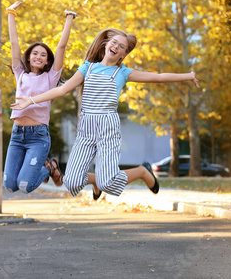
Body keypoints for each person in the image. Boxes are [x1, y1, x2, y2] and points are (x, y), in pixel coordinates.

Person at [12, 28, 200, 199]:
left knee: (108, 183)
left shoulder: (123, 73)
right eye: (114, 43)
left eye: (122, 47)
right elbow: (61, 90)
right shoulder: (87, 68)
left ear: (124, 54)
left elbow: (159, 77)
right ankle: (95, 181)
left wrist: (188, 76)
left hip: (107, 127)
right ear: (105, 44)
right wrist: (31, 100)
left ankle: (142, 172)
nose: (116, 47)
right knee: (70, 182)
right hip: (86, 127)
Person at [3, 1, 77, 194]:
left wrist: (69, 17)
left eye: (43, 55)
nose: (38, 56)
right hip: (17, 134)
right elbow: (14, 43)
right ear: (28, 57)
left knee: (24, 186)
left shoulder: (50, 78)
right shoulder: (20, 73)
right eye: (35, 53)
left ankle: (50, 167)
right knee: (10, 186)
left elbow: (61, 47)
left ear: (47, 62)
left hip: (38, 136)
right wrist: (11, 13)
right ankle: (49, 167)